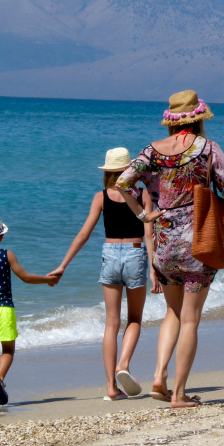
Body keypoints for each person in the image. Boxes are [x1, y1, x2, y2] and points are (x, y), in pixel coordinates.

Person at [114, 90, 224, 408]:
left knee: (173, 314)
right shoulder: (208, 149)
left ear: (171, 123)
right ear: (198, 119)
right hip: (198, 244)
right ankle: (178, 394)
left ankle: (160, 379)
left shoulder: (152, 151)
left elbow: (121, 183)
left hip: (163, 246)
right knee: (190, 320)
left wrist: (142, 214)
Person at [49, 148, 159, 401]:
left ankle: (111, 388)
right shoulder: (142, 195)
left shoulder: (100, 197)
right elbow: (149, 235)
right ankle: (123, 364)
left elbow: (84, 234)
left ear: (107, 171)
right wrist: (154, 269)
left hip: (109, 254)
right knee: (134, 319)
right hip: (134, 253)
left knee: (111, 324)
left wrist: (63, 265)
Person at [0, 212, 58, 408]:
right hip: (4, 309)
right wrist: (48, 280)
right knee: (8, 350)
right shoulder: (7, 255)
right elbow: (26, 277)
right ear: (2, 236)